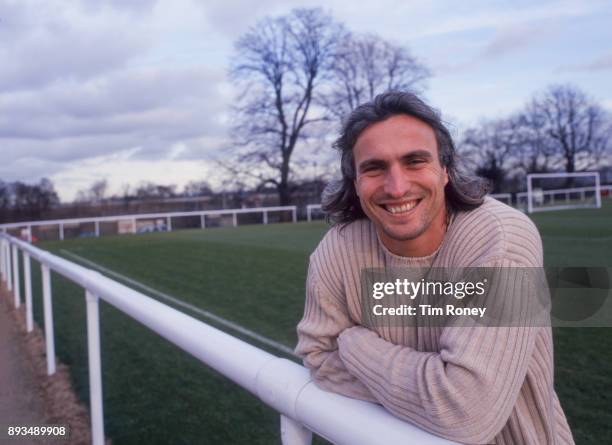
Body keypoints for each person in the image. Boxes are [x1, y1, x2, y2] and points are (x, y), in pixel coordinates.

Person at [295, 91, 574, 444]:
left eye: (414, 161)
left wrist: (353, 344)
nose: (396, 188)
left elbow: (466, 413)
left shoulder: (501, 240)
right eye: (375, 167)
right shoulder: (337, 250)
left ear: (445, 170)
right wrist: (432, 390)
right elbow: (318, 357)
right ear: (355, 182)